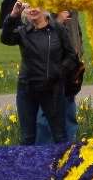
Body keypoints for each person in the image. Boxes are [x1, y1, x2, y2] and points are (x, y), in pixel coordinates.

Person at [0, 0, 77, 145]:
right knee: (27, 137)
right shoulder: (23, 31)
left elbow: (71, 56)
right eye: (28, 6)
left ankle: (61, 165)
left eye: (35, 5)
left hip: (53, 89)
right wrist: (13, 15)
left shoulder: (57, 29)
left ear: (44, 7)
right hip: (27, 90)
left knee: (59, 135)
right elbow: (5, 38)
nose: (32, 9)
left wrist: (57, 72)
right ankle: (29, 166)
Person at [36, 9, 84, 144]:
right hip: (50, 65)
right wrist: (58, 21)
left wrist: (79, 52)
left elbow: (76, 31)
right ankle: (42, 153)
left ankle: (68, 149)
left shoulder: (71, 6)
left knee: (69, 108)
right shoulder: (43, 4)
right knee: (46, 112)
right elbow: (38, 32)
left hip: (70, 65)